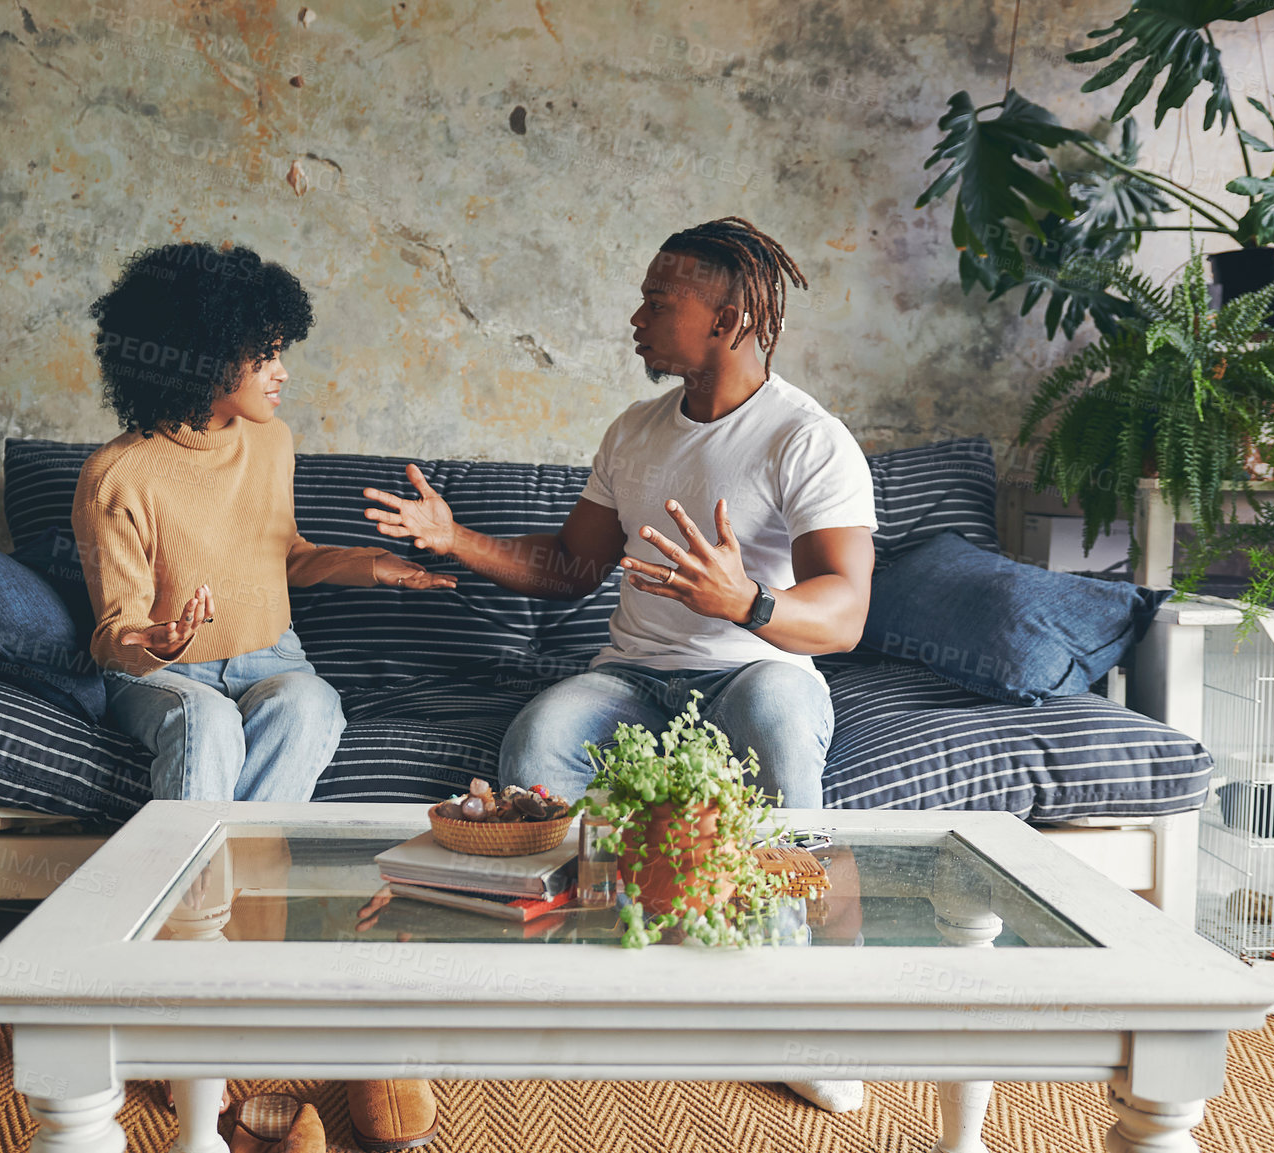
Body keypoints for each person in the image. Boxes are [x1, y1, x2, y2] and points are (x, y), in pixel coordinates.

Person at [74, 240, 444, 1153]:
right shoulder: (117, 475)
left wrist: (375, 568)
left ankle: (231, 962)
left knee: (309, 706)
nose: (282, 372)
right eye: (265, 352)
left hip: (270, 652)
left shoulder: (271, 443)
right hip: (168, 676)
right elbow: (112, 632)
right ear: (207, 355)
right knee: (202, 721)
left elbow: (284, 556)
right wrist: (153, 640)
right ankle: (180, 997)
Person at [362, 216, 877, 810]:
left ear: (727, 321)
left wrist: (744, 601)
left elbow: (845, 615)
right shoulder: (634, 429)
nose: (637, 320)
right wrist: (454, 538)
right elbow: (574, 565)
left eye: (657, 304)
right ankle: (568, 901)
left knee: (776, 722)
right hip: (633, 678)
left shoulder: (807, 438)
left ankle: (787, 893)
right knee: (535, 749)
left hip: (757, 673)